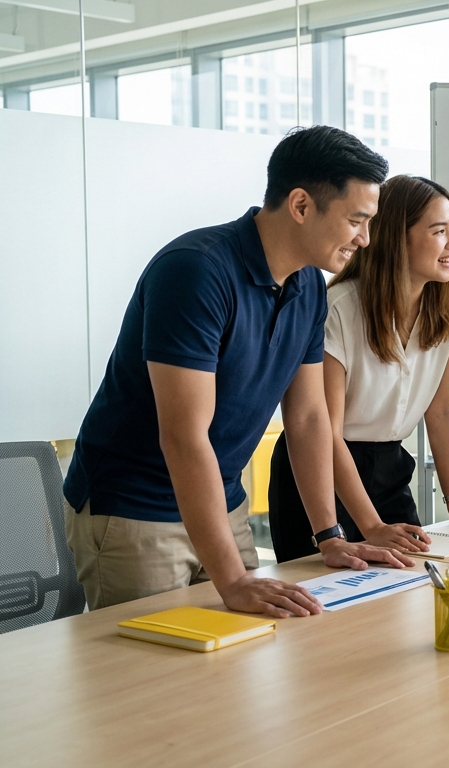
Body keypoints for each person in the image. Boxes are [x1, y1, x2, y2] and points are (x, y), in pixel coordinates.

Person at [62, 126, 411, 618]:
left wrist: (329, 536)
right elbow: (184, 435)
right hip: (136, 510)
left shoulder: (308, 285)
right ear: (301, 205)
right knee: (153, 686)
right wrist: (233, 581)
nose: (366, 239)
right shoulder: (196, 271)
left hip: (223, 506)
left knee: (254, 654)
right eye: (357, 220)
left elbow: (309, 418)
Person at [268, 175, 449, 563]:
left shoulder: (447, 310)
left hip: (389, 468)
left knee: (408, 583)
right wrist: (371, 526)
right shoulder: (338, 309)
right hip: (321, 468)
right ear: (394, 238)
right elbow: (326, 432)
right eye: (439, 231)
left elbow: (441, 410)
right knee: (325, 605)